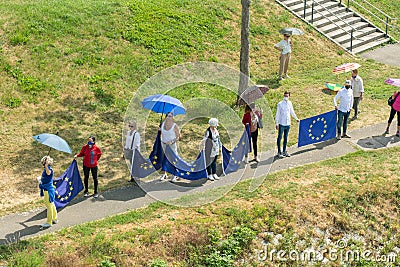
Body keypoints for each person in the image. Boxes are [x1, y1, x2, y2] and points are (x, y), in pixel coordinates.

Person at [275, 91, 299, 158]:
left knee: (286, 137)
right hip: (281, 123)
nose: (286, 97)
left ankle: (284, 150)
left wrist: (296, 118)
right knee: (279, 137)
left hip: (288, 123)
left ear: (289, 96)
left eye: (287, 96)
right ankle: (279, 152)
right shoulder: (280, 104)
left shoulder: (290, 103)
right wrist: (277, 123)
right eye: (285, 96)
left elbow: (292, 112)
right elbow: (277, 114)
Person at [160, 112, 181, 182]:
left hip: (171, 145)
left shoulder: (175, 126)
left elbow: (178, 137)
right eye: (167, 116)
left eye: (170, 116)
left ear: (172, 117)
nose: (168, 117)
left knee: (173, 160)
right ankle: (164, 174)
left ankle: (175, 174)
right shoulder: (163, 124)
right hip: (163, 144)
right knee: (163, 159)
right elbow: (162, 133)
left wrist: (171, 141)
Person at [37, 156, 58, 228]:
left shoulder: (49, 169)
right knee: (52, 205)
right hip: (49, 190)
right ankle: (55, 218)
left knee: (49, 206)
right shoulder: (47, 169)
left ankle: (49, 222)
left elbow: (48, 173)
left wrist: (46, 166)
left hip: (48, 191)